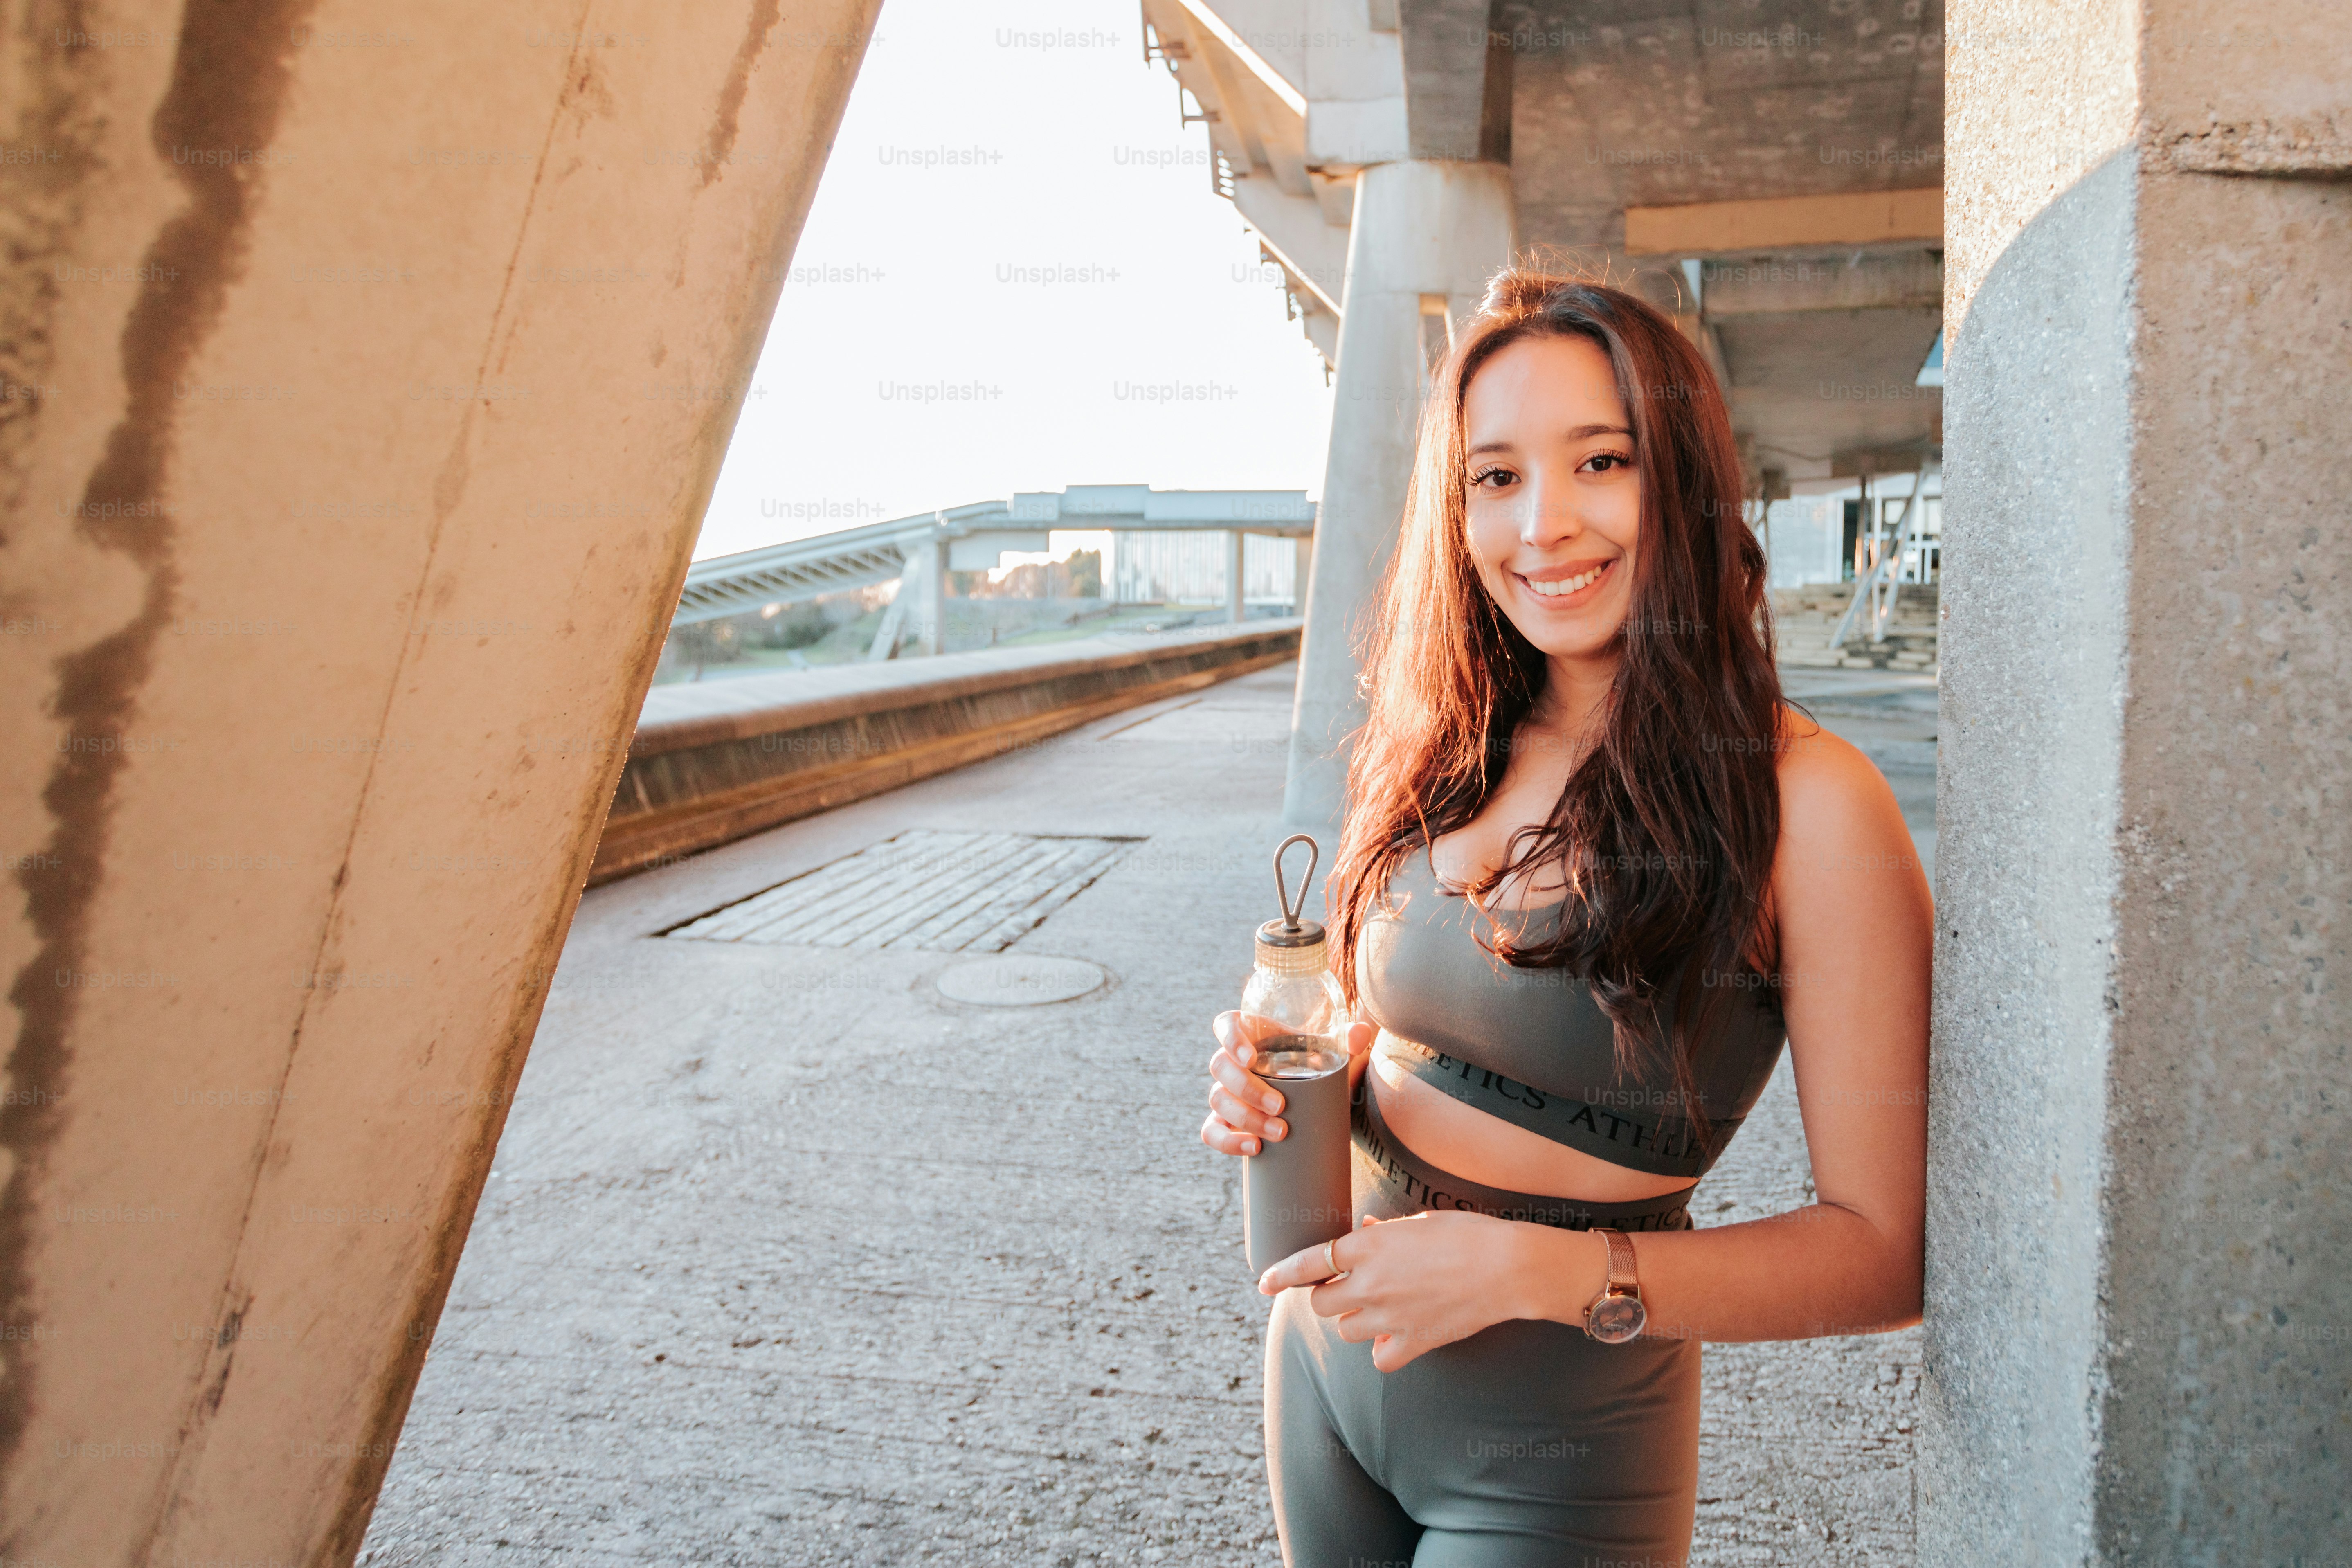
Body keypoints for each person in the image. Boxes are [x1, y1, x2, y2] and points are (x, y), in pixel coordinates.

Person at [1201, 268, 1932, 1568]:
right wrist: (1289, 1078)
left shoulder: (1810, 802)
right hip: (1320, 1372)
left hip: (1556, 1461)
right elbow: (1404, 1034)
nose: (1544, 525)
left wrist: (1538, 1271)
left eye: (1601, 460)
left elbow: (1883, 1254)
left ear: (1686, 479)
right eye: (1495, 477)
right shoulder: (1446, 742)